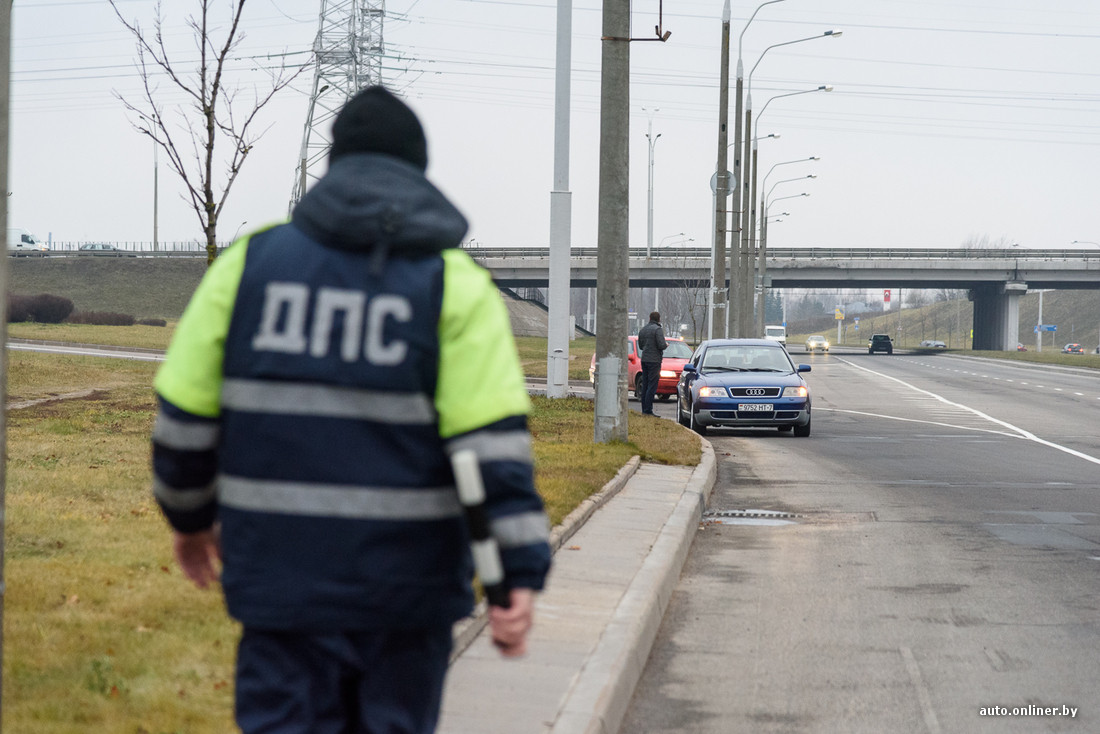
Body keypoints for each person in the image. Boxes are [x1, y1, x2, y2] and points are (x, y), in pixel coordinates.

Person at [150, 85, 552, 734]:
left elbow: (184, 420)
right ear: (416, 174)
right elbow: (493, 453)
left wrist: (190, 519)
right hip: (407, 604)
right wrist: (513, 580)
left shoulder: (247, 267)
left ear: (331, 168)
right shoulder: (455, 287)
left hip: (281, 592)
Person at [636, 311, 668, 415]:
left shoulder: (643, 330)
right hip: (654, 361)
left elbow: (640, 346)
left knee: (645, 384)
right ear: (659, 319)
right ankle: (648, 410)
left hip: (644, 359)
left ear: (650, 318)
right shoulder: (658, 329)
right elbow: (661, 345)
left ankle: (644, 409)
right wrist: (666, 344)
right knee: (652, 385)